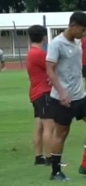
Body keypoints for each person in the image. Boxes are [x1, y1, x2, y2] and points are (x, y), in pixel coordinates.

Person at [45, 11, 86, 181]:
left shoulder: (78, 42)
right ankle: (56, 172)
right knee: (62, 133)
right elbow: (49, 69)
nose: (84, 33)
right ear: (72, 25)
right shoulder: (56, 44)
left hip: (80, 96)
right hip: (62, 98)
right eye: (82, 29)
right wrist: (62, 92)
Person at [26, 25, 53, 166]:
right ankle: (50, 158)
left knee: (39, 126)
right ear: (44, 37)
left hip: (36, 92)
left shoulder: (31, 52)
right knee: (49, 126)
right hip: (44, 92)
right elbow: (54, 68)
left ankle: (39, 157)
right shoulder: (40, 54)